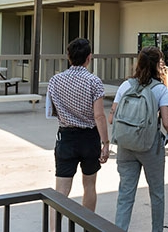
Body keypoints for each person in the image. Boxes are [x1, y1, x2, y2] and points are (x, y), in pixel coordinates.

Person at [110, 46, 168, 232]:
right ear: (159, 65)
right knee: (157, 193)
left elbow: (112, 117)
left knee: (125, 193)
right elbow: (166, 122)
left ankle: (120, 228)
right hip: (150, 146)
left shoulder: (126, 85)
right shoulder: (160, 90)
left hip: (126, 144)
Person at [47, 38, 109, 226]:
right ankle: (87, 227)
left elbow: (52, 111)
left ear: (68, 57)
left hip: (66, 137)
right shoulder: (94, 81)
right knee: (89, 185)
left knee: (60, 191)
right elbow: (99, 116)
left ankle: (54, 229)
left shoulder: (55, 81)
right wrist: (106, 143)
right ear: (89, 58)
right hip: (90, 137)